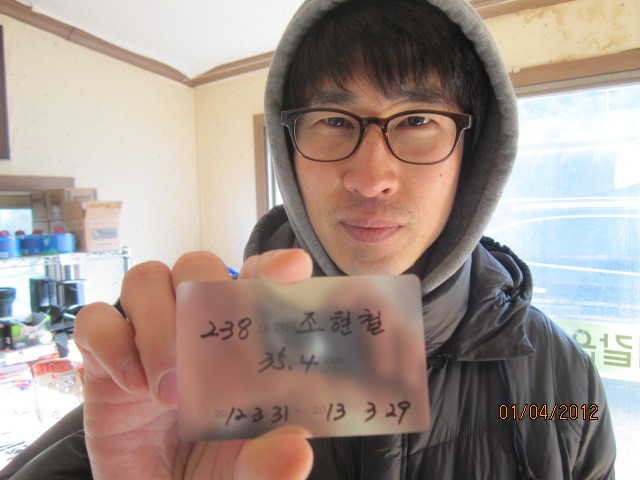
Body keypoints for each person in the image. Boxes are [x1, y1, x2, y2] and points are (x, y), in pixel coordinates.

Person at [1, 0, 616, 478]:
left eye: (418, 120)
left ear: (472, 156)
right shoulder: (199, 360)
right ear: (287, 150)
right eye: (333, 120)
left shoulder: (562, 384)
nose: (371, 177)